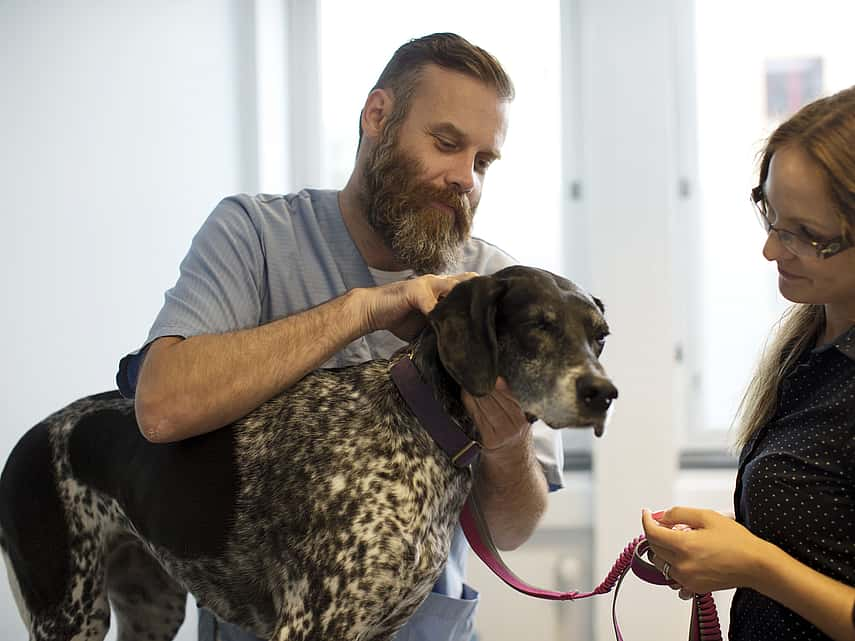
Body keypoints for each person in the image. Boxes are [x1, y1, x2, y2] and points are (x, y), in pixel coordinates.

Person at [116, 33, 564, 641]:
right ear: (377, 116)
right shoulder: (254, 237)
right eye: (446, 143)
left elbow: (509, 531)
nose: (465, 178)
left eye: (482, 162)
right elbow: (161, 408)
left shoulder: (494, 289)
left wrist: (509, 440)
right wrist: (365, 310)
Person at [642, 86, 855, 641]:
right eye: (771, 215)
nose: (771, 251)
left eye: (806, 236)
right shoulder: (810, 348)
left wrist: (754, 564)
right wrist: (722, 548)